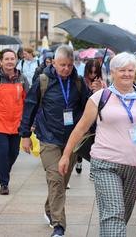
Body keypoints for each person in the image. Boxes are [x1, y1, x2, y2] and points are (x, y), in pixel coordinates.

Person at [58, 52, 136, 237]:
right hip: (105, 164)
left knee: (121, 215)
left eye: (130, 70)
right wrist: (66, 155)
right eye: (122, 70)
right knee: (114, 214)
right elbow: (80, 128)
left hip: (135, 166)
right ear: (112, 72)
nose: (127, 74)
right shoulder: (100, 97)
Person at [19, 45, 88, 237]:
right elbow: (30, 107)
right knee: (56, 179)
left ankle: (50, 209)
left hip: (72, 140)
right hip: (48, 137)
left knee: (61, 180)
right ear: (53, 63)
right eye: (62, 65)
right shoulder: (43, 80)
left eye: (69, 65)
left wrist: (96, 93)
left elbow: (88, 108)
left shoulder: (79, 82)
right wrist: (25, 135)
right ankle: (59, 226)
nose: (66, 69)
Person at [0, 48, 29, 195]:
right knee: (2, 153)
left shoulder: (22, 78)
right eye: (7, 59)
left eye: (12, 58)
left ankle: (2, 171)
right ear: (1, 61)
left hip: (17, 124)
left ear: (16, 60)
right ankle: (4, 183)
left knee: (14, 153)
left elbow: (28, 101)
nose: (10, 61)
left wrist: (29, 123)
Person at [75, 59, 105, 175]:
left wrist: (100, 90)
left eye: (95, 72)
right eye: (90, 72)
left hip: (97, 118)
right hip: (83, 115)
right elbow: (81, 101)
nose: (92, 75)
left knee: (94, 143)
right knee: (81, 140)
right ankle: (79, 160)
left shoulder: (102, 83)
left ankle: (93, 167)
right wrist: (90, 93)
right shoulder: (81, 82)